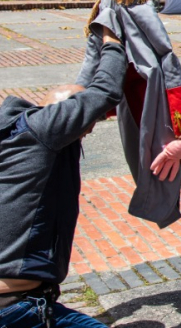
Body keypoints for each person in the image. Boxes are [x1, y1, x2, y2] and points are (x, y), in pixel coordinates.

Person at [77, 0, 181, 228]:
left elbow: (93, 69)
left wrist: (74, 116)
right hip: (146, 118)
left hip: (145, 117)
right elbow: (166, 55)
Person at [0, 27, 125, 328]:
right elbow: (104, 92)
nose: (90, 127)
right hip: (17, 308)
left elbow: (78, 90)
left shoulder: (18, 132)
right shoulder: (44, 130)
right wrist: (112, 39)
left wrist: (93, 44)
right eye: (85, 122)